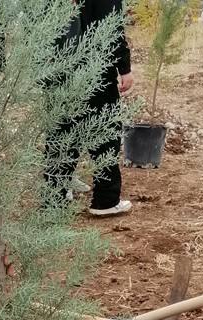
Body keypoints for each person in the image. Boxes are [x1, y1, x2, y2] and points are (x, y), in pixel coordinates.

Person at [47, 0, 133, 217]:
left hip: (59, 69)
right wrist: (124, 67)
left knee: (63, 132)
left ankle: (53, 199)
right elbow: (110, 24)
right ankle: (105, 200)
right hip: (94, 68)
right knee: (104, 131)